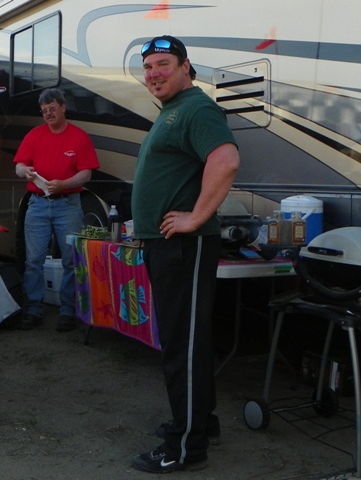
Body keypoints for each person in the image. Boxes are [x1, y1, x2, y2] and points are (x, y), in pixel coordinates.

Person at [130, 36, 240, 473]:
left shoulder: (196, 108)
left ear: (185, 67)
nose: (154, 73)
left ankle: (185, 446)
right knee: (186, 339)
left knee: (183, 345)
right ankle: (201, 422)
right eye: (148, 66)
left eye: (163, 63)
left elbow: (226, 159)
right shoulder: (171, 112)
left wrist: (195, 217)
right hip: (166, 246)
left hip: (184, 246)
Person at [13, 88, 100, 332]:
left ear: (63, 107)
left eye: (52, 109)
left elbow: (86, 173)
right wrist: (25, 172)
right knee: (33, 261)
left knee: (72, 261)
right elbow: (19, 165)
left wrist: (63, 184)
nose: (48, 114)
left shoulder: (79, 137)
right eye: (44, 111)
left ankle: (68, 311)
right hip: (37, 203)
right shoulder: (34, 135)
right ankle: (33, 310)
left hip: (68, 205)